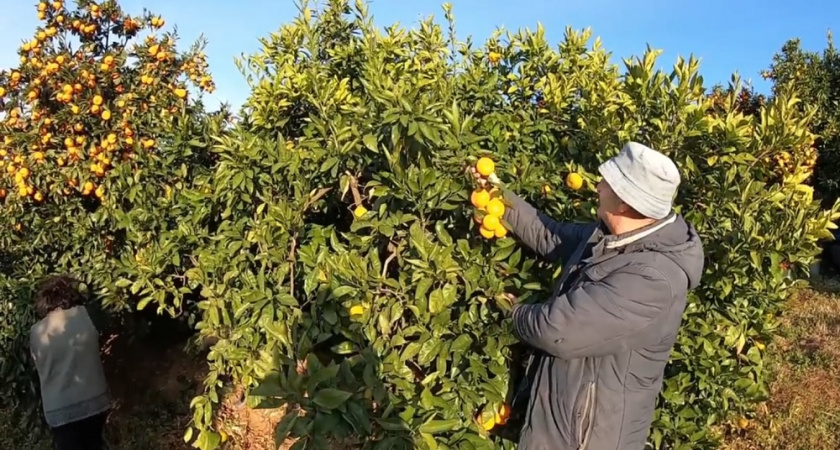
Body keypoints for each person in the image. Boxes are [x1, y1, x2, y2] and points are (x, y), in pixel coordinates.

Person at [474, 142, 704, 450]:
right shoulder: (610, 238)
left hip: (588, 439)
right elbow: (550, 235)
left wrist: (512, 310)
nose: (598, 186)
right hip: (559, 425)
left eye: (607, 182)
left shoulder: (653, 278)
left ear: (624, 202)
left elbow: (556, 330)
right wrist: (496, 195)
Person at [29, 275, 111, 450]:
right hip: (95, 402)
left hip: (59, 410)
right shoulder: (87, 314)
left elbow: (38, 365)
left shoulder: (36, 332)